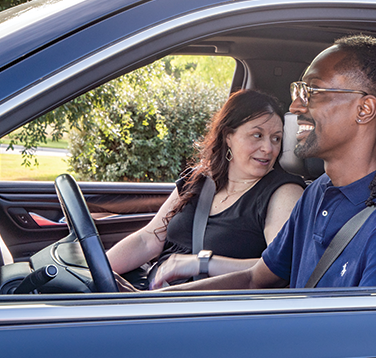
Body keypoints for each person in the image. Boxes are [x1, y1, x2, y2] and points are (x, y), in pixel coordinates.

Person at [150, 34, 376, 290]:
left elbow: (365, 346)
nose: (295, 107)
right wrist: (165, 302)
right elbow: (256, 278)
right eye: (298, 91)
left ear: (364, 109)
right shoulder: (318, 191)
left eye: (312, 92)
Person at [107, 89, 304, 288]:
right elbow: (148, 239)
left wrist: (200, 263)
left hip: (201, 309)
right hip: (151, 292)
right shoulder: (200, 180)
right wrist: (97, 273)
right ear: (228, 136)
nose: (268, 148)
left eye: (276, 138)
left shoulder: (283, 192)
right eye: (257, 135)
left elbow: (279, 268)